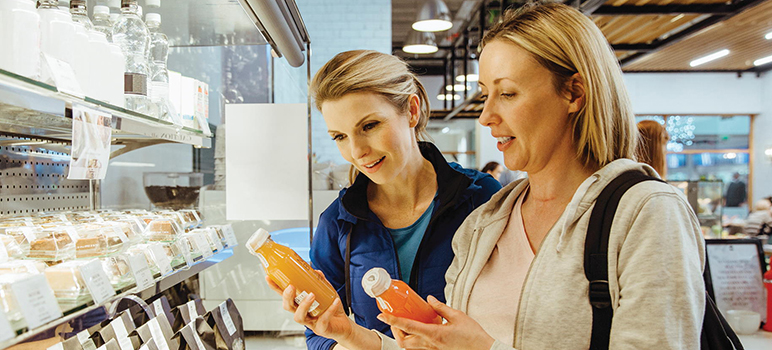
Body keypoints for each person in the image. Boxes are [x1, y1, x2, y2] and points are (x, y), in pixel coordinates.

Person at [378, 3, 705, 349]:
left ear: (574, 93)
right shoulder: (485, 223)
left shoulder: (646, 214)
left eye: (507, 93)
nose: (486, 116)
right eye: (486, 94)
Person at [264, 50, 502, 350]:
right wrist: (334, 331)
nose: (357, 151)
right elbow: (321, 337)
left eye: (369, 126)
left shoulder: (482, 199)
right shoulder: (337, 223)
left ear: (412, 110)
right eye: (340, 137)